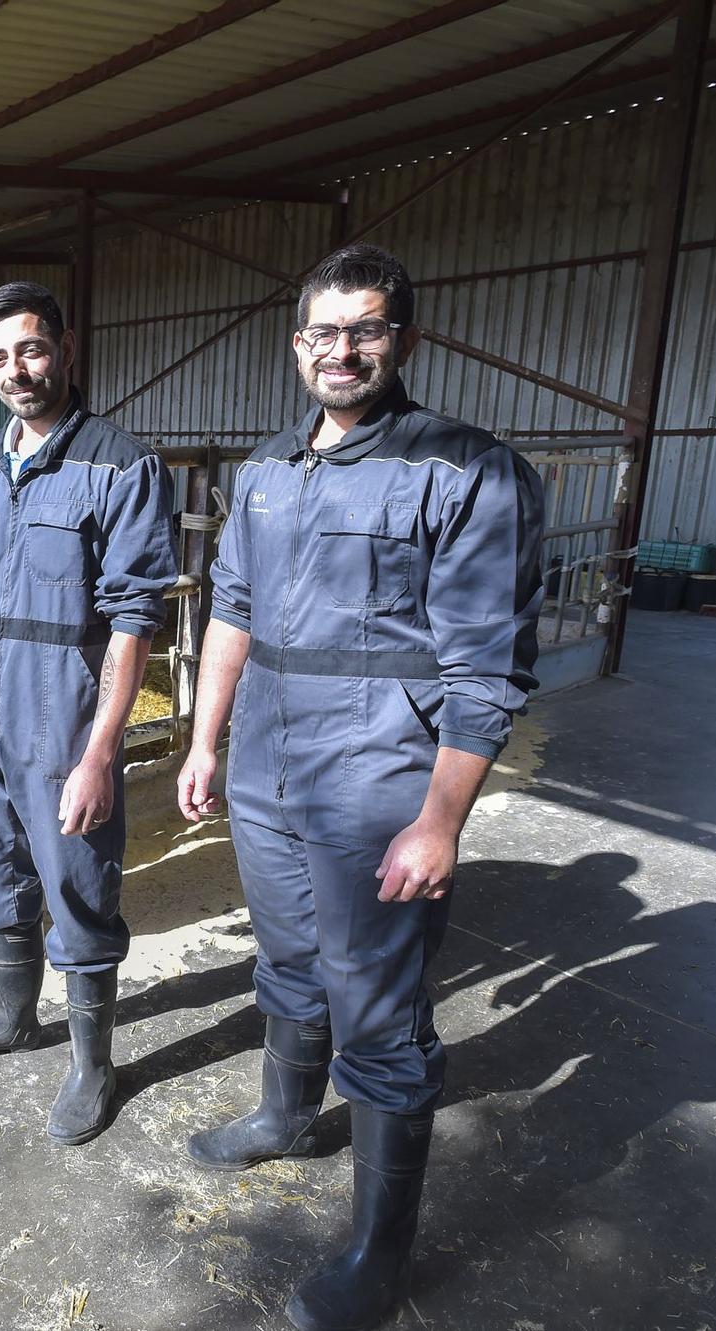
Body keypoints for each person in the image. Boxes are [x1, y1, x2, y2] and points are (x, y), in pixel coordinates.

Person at [176, 244, 544, 1331]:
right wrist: (200, 743)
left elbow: (484, 668)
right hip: (266, 764)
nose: (342, 351)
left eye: (366, 330)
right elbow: (229, 611)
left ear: (404, 340)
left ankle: (377, 1259)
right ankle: (285, 1116)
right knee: (284, 959)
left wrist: (439, 818)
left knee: (377, 1012)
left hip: (380, 772)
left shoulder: (464, 470)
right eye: (322, 334)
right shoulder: (263, 470)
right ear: (296, 347)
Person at [0, 281, 178, 1146]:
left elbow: (136, 618)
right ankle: (10, 1016)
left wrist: (102, 750)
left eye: (31, 350)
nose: (16, 371)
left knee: (78, 888)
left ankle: (93, 1062)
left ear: (66, 349)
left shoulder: (121, 464)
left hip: (61, 720)